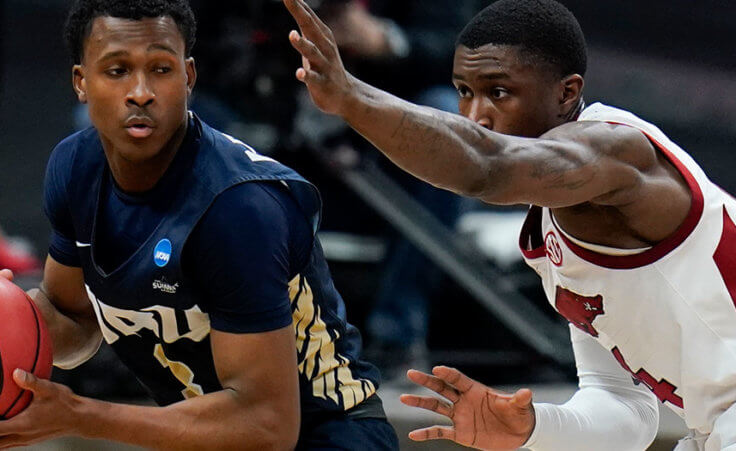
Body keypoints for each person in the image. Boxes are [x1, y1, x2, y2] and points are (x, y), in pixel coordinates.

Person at [282, 0, 736, 449]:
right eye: (464, 91)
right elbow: (625, 409)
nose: (477, 114)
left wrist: (351, 98)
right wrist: (533, 427)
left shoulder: (616, 151)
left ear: (566, 93)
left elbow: (485, 165)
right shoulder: (550, 234)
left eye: (498, 92)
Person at [0, 0, 399, 449]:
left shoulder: (237, 207)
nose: (141, 92)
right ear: (81, 82)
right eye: (116, 71)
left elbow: (267, 426)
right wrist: (11, 316)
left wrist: (79, 415)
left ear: (188, 77)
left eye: (160, 69)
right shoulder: (74, 167)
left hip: (328, 435)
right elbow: (72, 319)